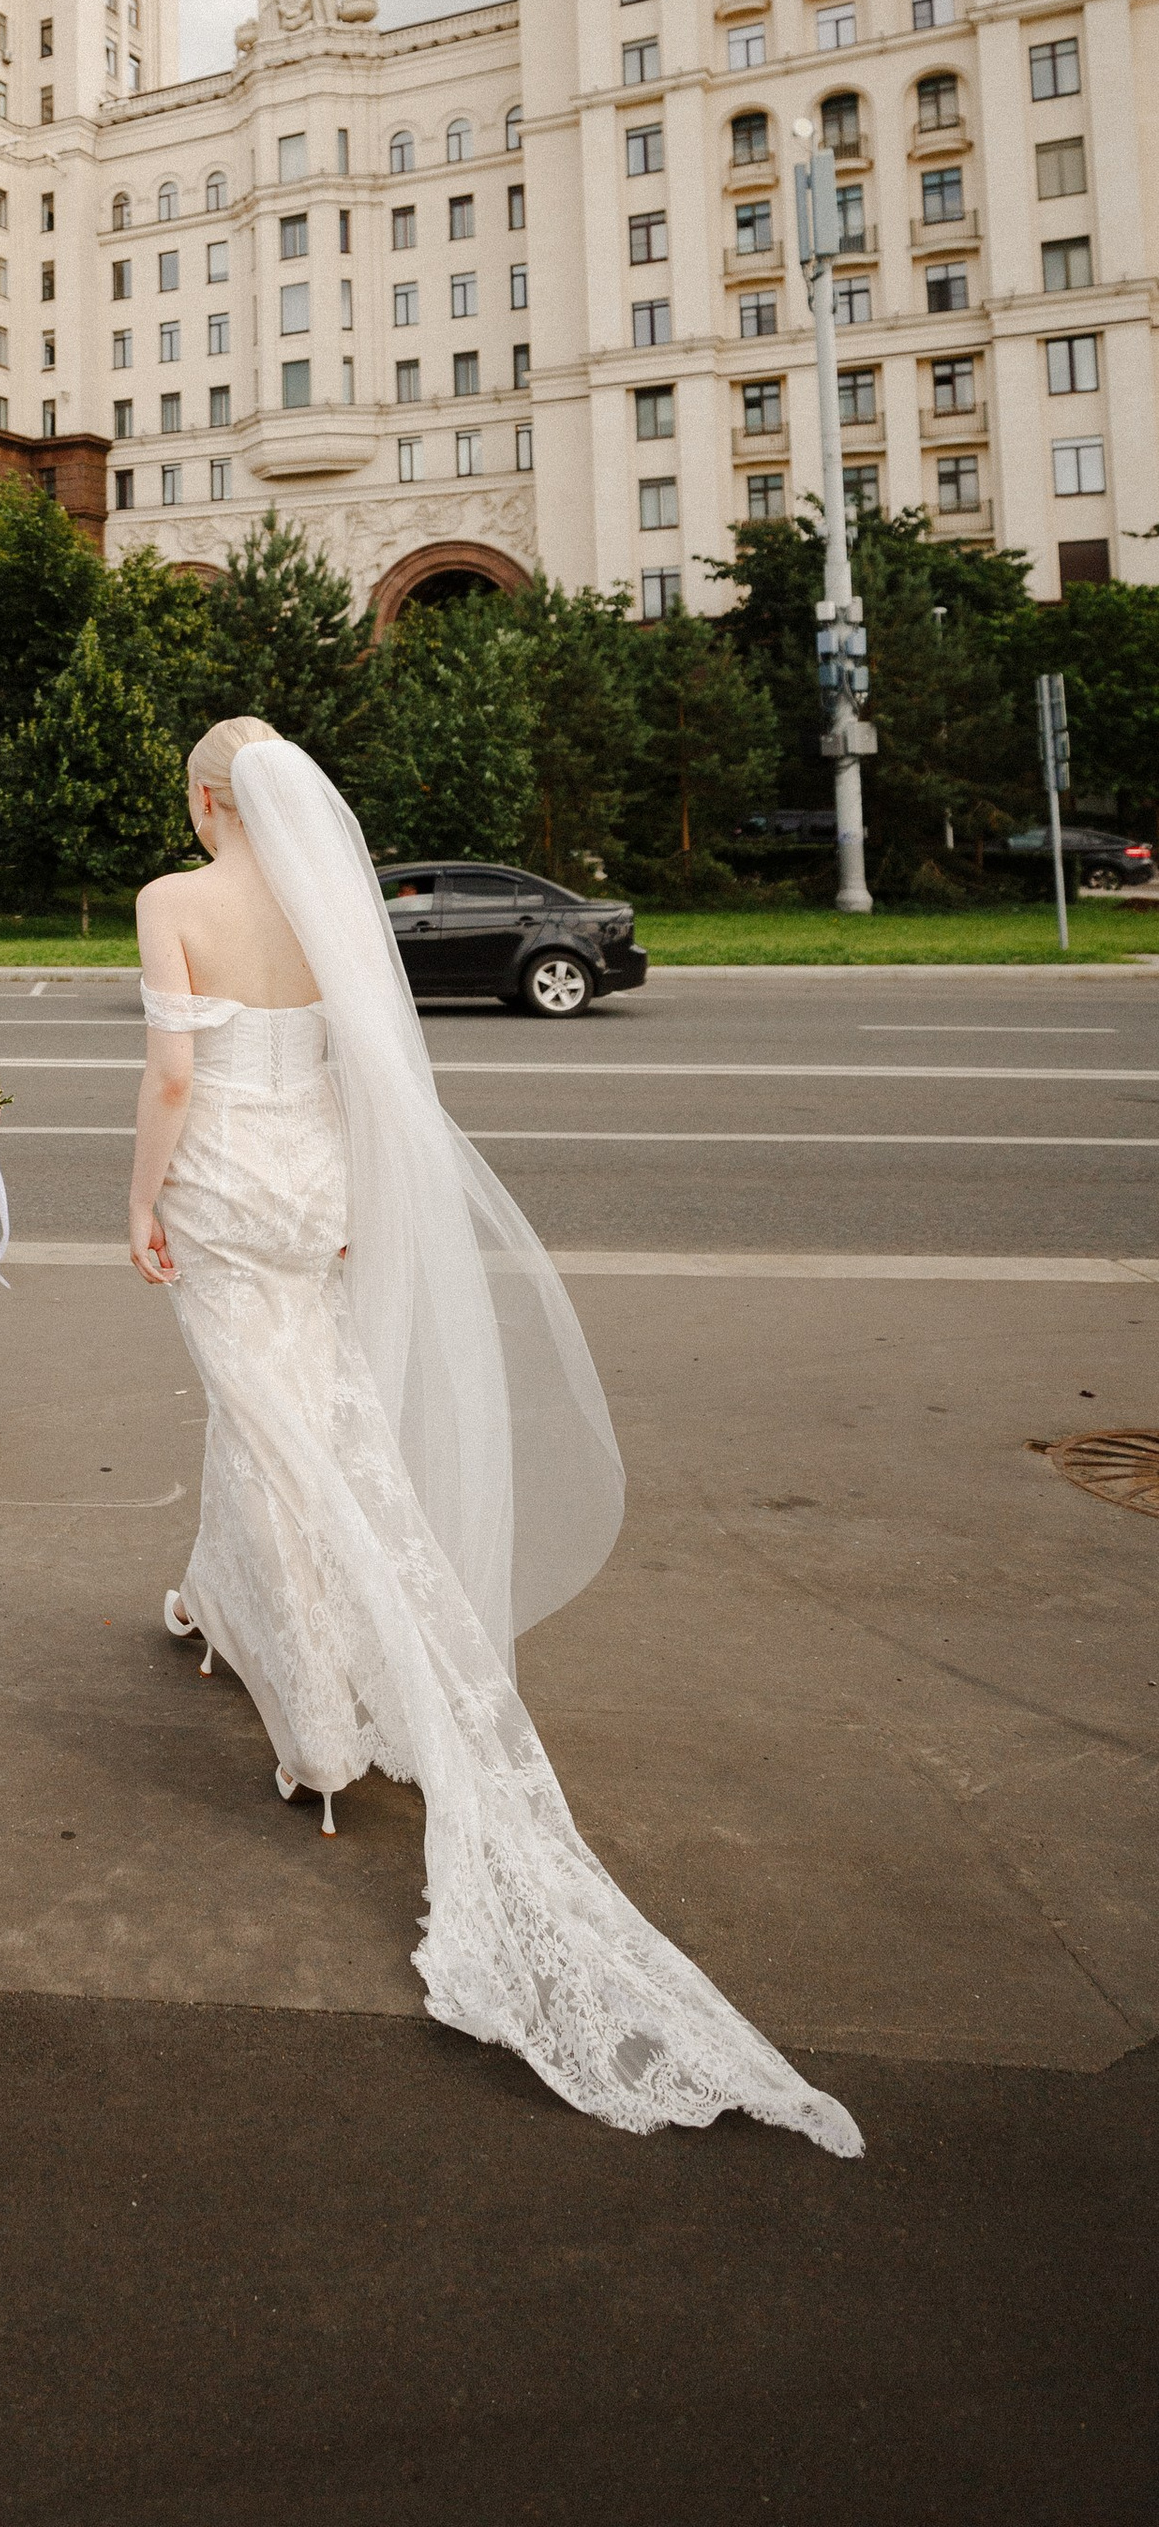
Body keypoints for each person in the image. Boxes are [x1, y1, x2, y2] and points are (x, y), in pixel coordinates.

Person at [128, 713, 862, 2155]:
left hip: (221, 1180)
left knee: (278, 1433)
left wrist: (137, 1200)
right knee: (304, 1412)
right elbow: (359, 1072)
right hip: (316, 1186)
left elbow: (169, 1078)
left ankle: (327, 1732)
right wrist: (346, 1210)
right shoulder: (326, 899)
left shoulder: (175, 901)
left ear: (209, 798)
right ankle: (218, 1604)